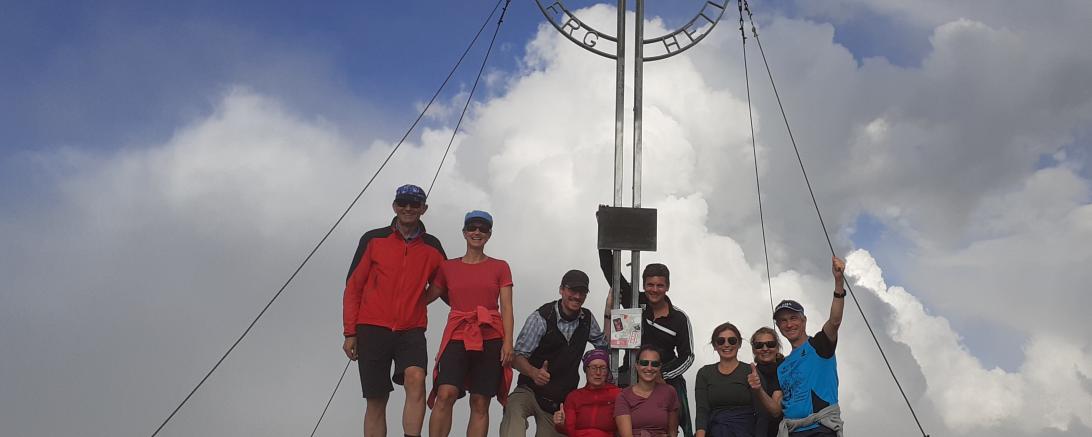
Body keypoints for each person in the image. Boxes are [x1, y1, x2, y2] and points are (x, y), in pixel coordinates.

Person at [341, 184, 447, 437]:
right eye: (403, 203)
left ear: (424, 208)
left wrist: (420, 300)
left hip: (411, 329)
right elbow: (353, 287)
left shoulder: (432, 246)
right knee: (377, 399)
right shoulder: (373, 239)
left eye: (414, 204)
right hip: (372, 327)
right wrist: (349, 333)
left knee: (416, 380)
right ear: (394, 206)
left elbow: (446, 283)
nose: (408, 208)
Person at [425, 211, 515, 437]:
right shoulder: (448, 267)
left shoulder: (500, 266)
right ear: (464, 232)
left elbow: (506, 307)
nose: (477, 232)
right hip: (458, 335)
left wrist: (508, 343)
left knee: (480, 400)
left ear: (489, 234)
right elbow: (425, 296)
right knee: (445, 393)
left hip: (491, 336)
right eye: (472, 228)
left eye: (482, 229)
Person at [500, 269, 608, 437]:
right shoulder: (541, 317)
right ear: (561, 290)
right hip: (530, 391)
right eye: (572, 290)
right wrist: (534, 373)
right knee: (514, 411)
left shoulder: (586, 319)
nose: (577, 296)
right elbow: (516, 357)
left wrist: (608, 312)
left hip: (558, 403)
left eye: (582, 292)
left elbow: (603, 346)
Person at [599, 249, 695, 437]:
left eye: (660, 285)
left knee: (678, 421)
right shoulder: (635, 300)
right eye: (650, 285)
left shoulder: (679, 318)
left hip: (666, 376)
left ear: (667, 287)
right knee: (610, 414)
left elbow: (688, 356)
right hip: (631, 371)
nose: (654, 289)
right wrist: (604, 235)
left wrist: (663, 373)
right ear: (643, 285)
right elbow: (610, 270)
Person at [773, 256, 846, 437]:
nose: (789, 324)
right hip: (792, 431)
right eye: (783, 321)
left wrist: (838, 283)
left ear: (803, 321)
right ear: (779, 327)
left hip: (820, 429)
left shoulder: (820, 344)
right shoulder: (781, 366)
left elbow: (835, 321)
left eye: (793, 318)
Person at [693, 322, 782, 437]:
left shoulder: (751, 371)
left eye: (732, 340)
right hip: (715, 431)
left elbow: (762, 415)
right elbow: (702, 411)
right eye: (721, 341)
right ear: (715, 345)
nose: (726, 344)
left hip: (745, 432)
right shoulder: (704, 373)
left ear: (739, 344)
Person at [551, 349, 621, 437]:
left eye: (603, 368)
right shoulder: (574, 397)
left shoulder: (618, 394)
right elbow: (569, 430)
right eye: (593, 368)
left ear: (607, 371)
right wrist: (560, 424)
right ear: (585, 370)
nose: (598, 373)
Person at [614, 345, 680, 437]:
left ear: (660, 367)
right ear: (636, 365)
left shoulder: (669, 392)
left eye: (655, 364)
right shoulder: (623, 396)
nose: (649, 368)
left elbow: (673, 432)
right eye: (644, 363)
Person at [750, 327, 785, 437]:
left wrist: (758, 389)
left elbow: (776, 411)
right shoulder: (751, 374)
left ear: (777, 347)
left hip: (786, 430)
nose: (765, 348)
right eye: (759, 345)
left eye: (770, 344)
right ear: (754, 350)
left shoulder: (787, 369)